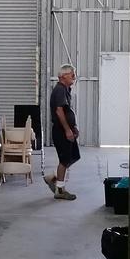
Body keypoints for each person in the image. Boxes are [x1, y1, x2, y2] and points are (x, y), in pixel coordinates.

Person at [45, 65, 79, 201]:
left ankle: (54, 177)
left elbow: (67, 111)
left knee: (73, 156)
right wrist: (67, 130)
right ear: (63, 76)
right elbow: (59, 111)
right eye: (72, 74)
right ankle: (60, 189)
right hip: (61, 131)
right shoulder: (59, 90)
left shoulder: (65, 89)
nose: (74, 77)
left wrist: (73, 126)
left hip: (66, 130)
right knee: (65, 160)